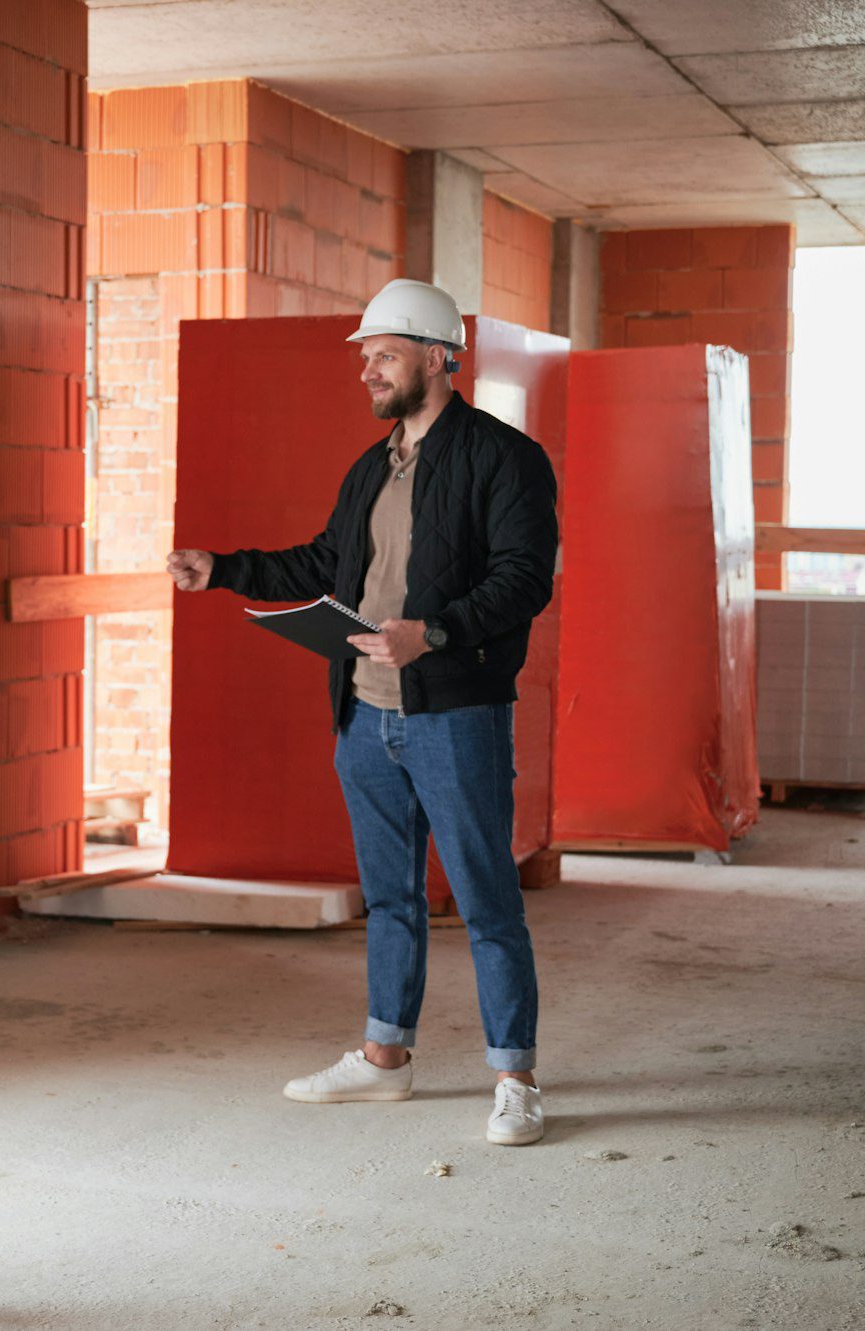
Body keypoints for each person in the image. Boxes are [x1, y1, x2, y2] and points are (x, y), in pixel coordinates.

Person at [167, 279, 558, 1146]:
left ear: (436, 355)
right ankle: (387, 1058)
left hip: (456, 715)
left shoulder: (505, 458)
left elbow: (525, 579)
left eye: (382, 354)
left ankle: (515, 1076)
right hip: (365, 716)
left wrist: (438, 633)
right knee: (390, 898)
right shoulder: (371, 468)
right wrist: (221, 568)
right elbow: (323, 559)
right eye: (365, 357)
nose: (367, 372)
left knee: (487, 897)